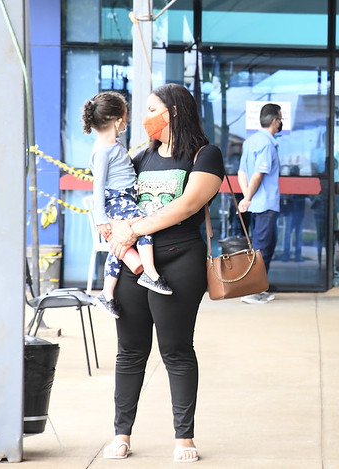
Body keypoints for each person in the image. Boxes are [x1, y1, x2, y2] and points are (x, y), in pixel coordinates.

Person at [103, 83, 224, 463]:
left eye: (152, 108)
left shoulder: (206, 155)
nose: (146, 116)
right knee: (130, 351)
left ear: (171, 111)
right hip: (135, 262)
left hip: (181, 259)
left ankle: (184, 437)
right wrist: (115, 228)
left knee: (176, 350)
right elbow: (117, 198)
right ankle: (121, 434)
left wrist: (134, 229)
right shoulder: (141, 158)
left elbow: (187, 205)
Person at [82, 91, 174, 319]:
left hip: (125, 198)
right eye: (126, 115)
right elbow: (98, 186)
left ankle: (107, 293)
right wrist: (101, 219)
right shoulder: (102, 151)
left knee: (119, 250)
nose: (129, 119)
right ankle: (151, 273)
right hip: (118, 200)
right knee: (145, 225)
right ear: (117, 119)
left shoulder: (114, 145)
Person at [237, 103, 282, 304]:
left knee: (266, 244)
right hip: (265, 203)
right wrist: (247, 198)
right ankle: (251, 291)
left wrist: (247, 197)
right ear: (274, 121)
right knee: (262, 246)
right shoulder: (266, 144)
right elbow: (258, 175)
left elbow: (242, 173)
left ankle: (259, 288)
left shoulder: (250, 141)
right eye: (280, 119)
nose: (281, 122)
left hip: (259, 203)